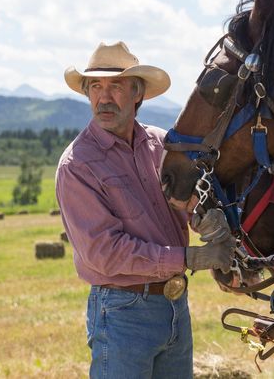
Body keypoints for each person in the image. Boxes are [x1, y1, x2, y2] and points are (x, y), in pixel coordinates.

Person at [56, 41, 235, 378]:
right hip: (122, 312)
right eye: (95, 86)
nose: (104, 97)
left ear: (137, 93)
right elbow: (105, 254)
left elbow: (184, 199)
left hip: (174, 306)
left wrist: (207, 220)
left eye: (115, 86)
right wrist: (190, 258)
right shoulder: (78, 166)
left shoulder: (159, 145)